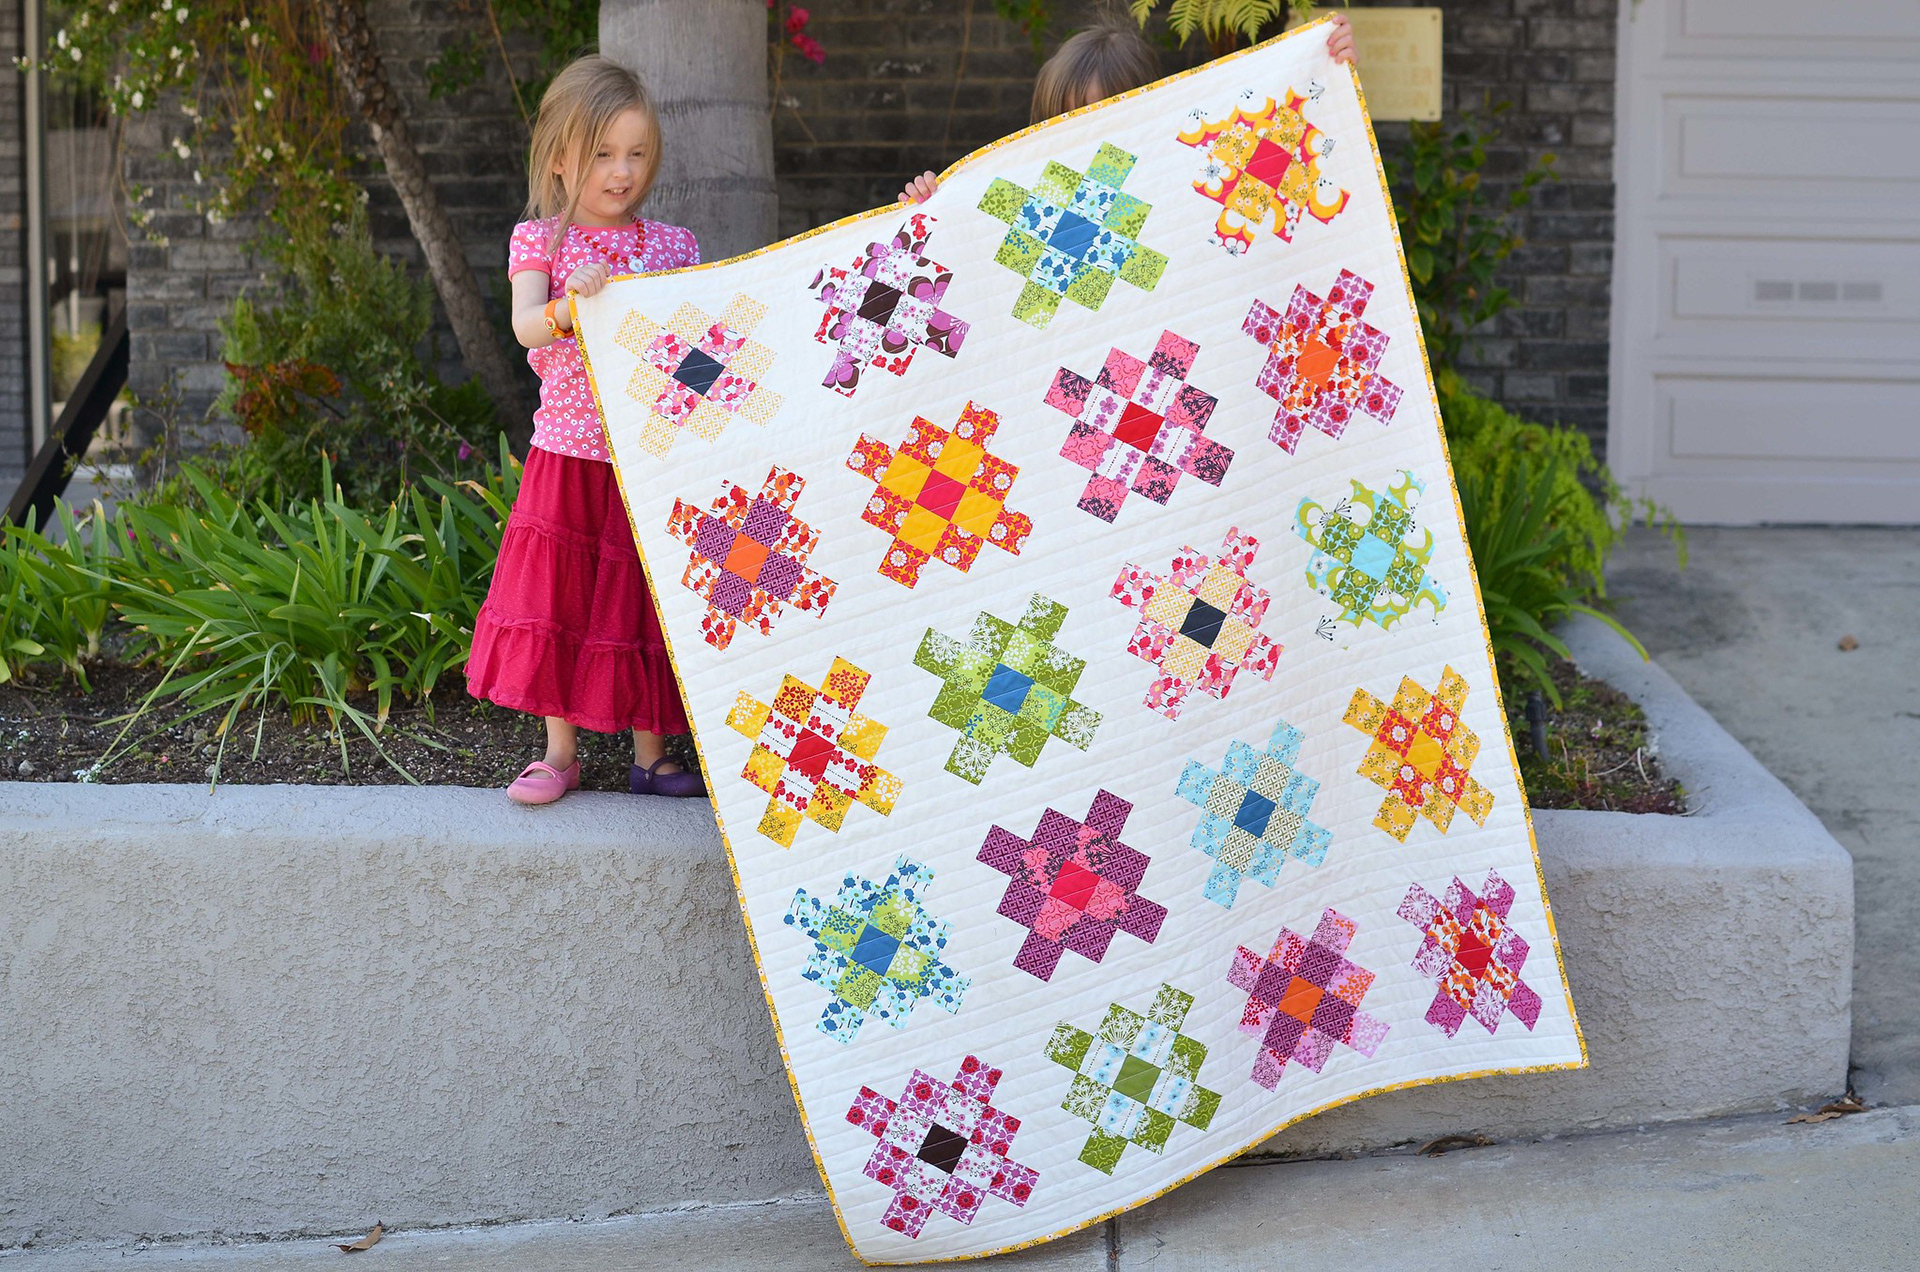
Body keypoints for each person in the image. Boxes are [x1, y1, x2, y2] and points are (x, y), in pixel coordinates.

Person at [466, 55, 706, 805]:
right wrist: (572, 304)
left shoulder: (673, 247)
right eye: (603, 154)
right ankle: (559, 752)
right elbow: (528, 327)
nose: (621, 170)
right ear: (562, 159)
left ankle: (651, 756)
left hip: (649, 457)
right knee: (561, 601)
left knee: (640, 599)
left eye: (636, 153)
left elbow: (700, 350)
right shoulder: (541, 241)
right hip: (568, 456)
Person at [898, 12, 1359, 205]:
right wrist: (938, 219)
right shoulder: (1028, 198)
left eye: (1105, 118)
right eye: (1067, 120)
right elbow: (981, 292)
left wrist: (1331, 71)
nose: (1088, 136)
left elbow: (1300, 176)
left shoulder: (1195, 174)